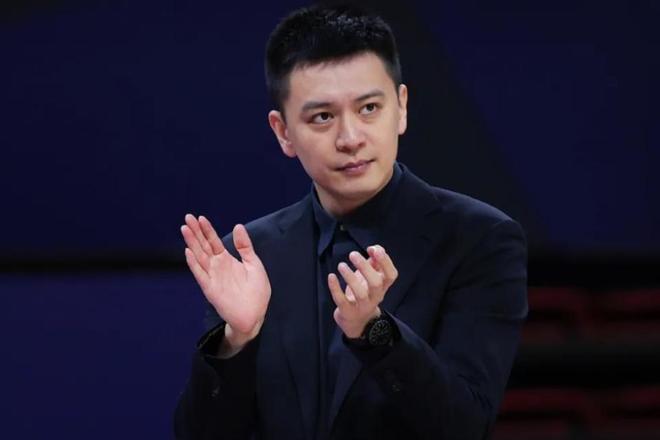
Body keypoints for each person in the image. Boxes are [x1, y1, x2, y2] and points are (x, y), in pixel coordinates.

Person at [174, 5, 527, 440]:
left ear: (401, 108)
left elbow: (464, 426)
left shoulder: (479, 240)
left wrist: (375, 332)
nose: (350, 138)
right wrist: (237, 340)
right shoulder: (251, 255)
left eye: (369, 108)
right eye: (322, 117)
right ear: (283, 132)